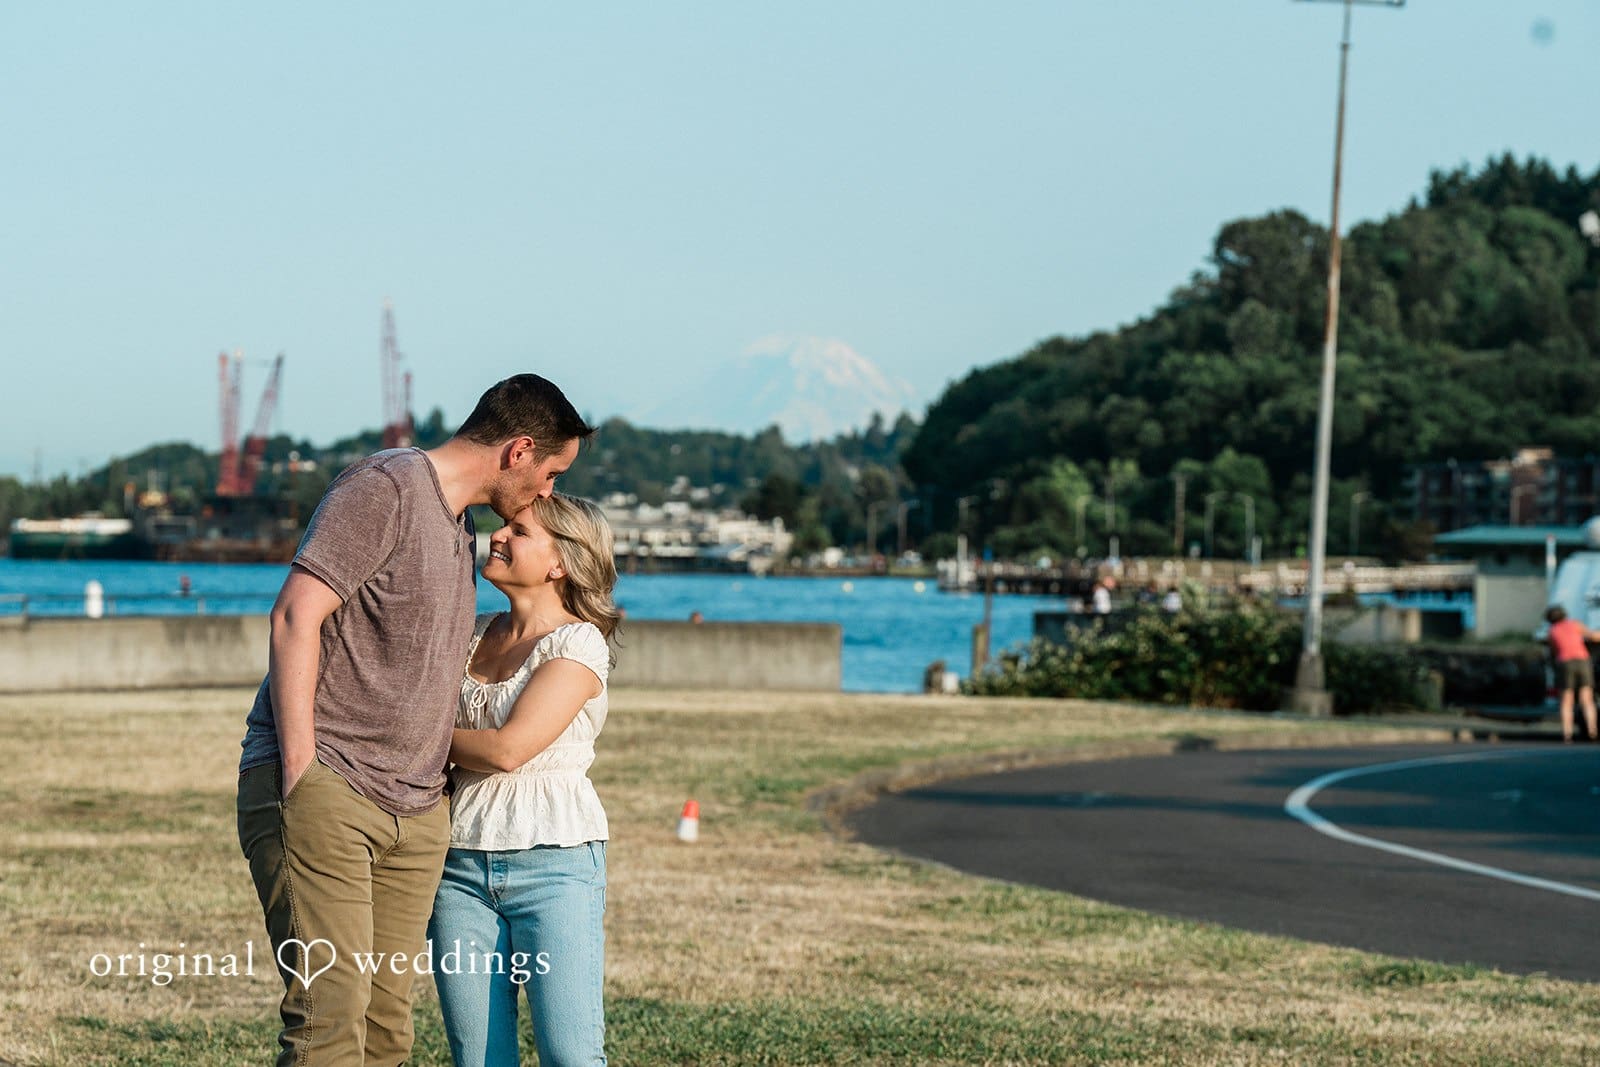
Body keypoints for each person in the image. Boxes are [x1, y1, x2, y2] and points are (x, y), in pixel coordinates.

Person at [236, 374, 593, 1067]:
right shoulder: (387, 487)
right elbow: (294, 615)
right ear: (519, 450)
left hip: (413, 815)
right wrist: (303, 771)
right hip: (331, 791)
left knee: (385, 1036)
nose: (548, 491)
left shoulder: (459, 531)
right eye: (551, 473)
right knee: (328, 1026)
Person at [429, 493, 621, 1066]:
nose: (497, 536)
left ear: (561, 561)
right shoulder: (470, 634)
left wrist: (423, 738)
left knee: (571, 1056)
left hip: (556, 865)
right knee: (480, 1059)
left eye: (519, 531)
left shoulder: (579, 643)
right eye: (502, 526)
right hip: (458, 866)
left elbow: (510, 749)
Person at [1545, 605, 1599, 743]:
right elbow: (1593, 637)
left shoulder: (1552, 631)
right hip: (1582, 661)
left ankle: (1567, 733)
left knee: (1566, 701)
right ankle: (1592, 730)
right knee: (1587, 698)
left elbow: (1554, 651)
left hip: (1565, 663)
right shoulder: (1574, 624)